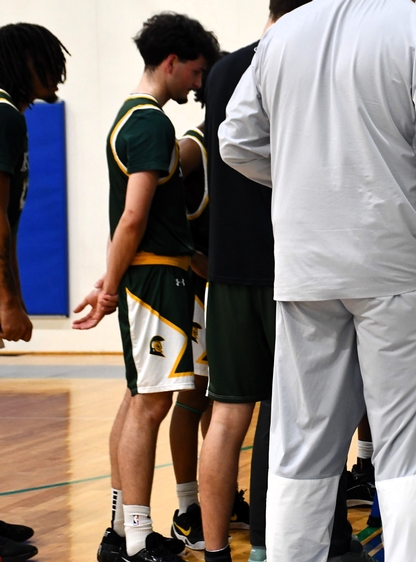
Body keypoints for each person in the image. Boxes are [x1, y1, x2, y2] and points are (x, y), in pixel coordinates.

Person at [218, 0, 416, 560]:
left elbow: (235, 139)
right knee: (408, 453)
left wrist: (309, 180)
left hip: (306, 265)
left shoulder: (283, 33)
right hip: (397, 264)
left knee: (302, 450)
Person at [73, 13, 219, 562]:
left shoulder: (133, 117)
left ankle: (120, 529)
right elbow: (132, 217)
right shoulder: (151, 122)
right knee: (149, 405)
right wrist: (110, 288)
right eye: (196, 72)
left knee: (139, 399)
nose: (198, 84)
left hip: (159, 274)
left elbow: (140, 221)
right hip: (154, 279)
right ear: (171, 62)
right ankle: (137, 539)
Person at [0, 23, 69, 562]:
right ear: (24, 61)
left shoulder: (10, 114)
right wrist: (7, 301)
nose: (59, 73)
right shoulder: (3, 114)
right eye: (49, 60)